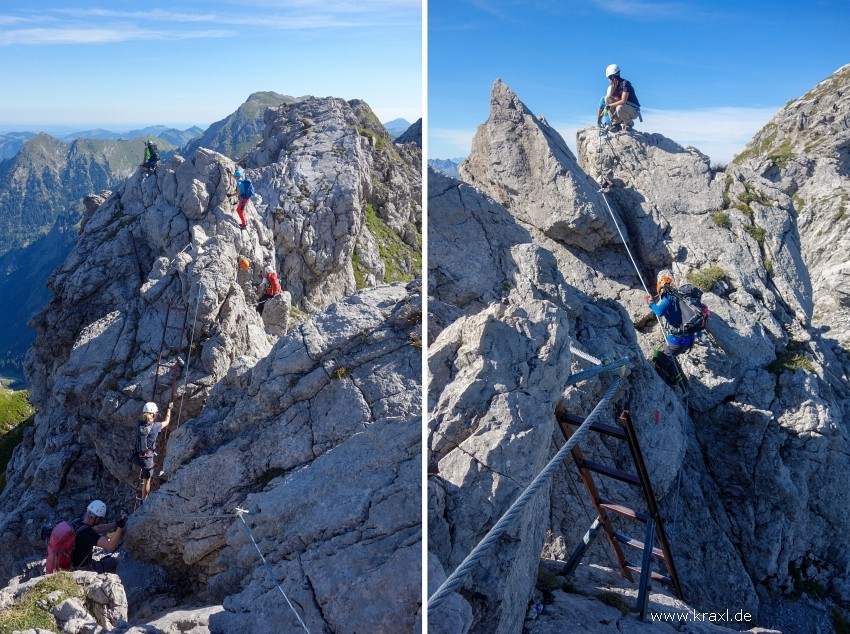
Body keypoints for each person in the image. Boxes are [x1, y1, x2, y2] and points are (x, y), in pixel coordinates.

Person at [646, 270, 696, 389]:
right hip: (689, 340)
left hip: (678, 340)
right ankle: (677, 381)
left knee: (659, 360)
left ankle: (666, 385)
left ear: (661, 289)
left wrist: (650, 303)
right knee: (669, 357)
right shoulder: (680, 297)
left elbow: (659, 312)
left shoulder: (668, 298)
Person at [71, 500, 126, 573]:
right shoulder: (87, 533)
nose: (99, 521)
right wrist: (120, 527)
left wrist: (116, 524)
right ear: (96, 518)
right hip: (83, 569)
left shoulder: (77, 522)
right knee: (113, 561)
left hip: (71, 564)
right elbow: (110, 545)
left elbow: (98, 528)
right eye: (100, 518)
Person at [133, 401, 172, 502]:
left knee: (145, 473)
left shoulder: (139, 424)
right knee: (147, 480)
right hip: (147, 459)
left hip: (136, 456)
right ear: (154, 414)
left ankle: (143, 498)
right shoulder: (155, 426)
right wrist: (169, 410)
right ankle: (144, 500)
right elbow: (167, 421)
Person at [601, 64, 641, 131]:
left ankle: (629, 124)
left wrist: (609, 106)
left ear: (612, 77)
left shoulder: (625, 83)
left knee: (619, 108)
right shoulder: (614, 87)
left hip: (634, 110)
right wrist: (604, 111)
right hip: (624, 108)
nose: (608, 80)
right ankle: (616, 124)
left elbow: (623, 101)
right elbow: (611, 103)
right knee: (607, 98)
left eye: (608, 78)